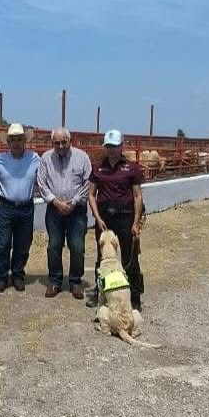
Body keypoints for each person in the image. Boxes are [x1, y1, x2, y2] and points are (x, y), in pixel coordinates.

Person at [86, 129, 145, 310]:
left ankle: (134, 297)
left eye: (115, 146)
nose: (112, 150)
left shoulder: (131, 168)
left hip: (126, 216)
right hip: (105, 218)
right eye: (109, 146)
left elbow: (137, 196)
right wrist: (97, 218)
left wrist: (136, 222)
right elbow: (91, 195)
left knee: (130, 258)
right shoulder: (98, 168)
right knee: (104, 258)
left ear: (121, 147)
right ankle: (101, 292)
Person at [37, 127, 92, 299]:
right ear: (52, 143)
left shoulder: (82, 157)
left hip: (77, 210)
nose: (60, 146)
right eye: (56, 143)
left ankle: (75, 282)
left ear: (70, 141)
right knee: (54, 245)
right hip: (54, 209)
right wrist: (56, 202)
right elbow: (42, 183)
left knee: (77, 246)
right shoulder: (46, 158)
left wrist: (73, 202)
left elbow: (88, 183)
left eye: (64, 142)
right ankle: (55, 281)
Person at [0, 123, 40, 292]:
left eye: (20, 139)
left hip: (26, 207)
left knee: (23, 244)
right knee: (2, 244)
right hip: (6, 206)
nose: (16, 143)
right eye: (13, 140)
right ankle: (1, 277)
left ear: (24, 141)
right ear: (8, 142)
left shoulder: (35, 158)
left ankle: (18, 274)